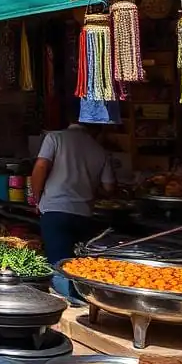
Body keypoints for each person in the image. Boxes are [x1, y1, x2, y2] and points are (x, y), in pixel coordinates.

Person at [31, 121, 115, 300]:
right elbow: (108, 188)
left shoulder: (54, 138)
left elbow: (40, 167)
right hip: (84, 214)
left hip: (55, 210)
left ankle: (66, 305)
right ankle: (83, 300)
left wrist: (36, 198)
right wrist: (86, 184)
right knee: (79, 264)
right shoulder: (99, 149)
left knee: (59, 264)